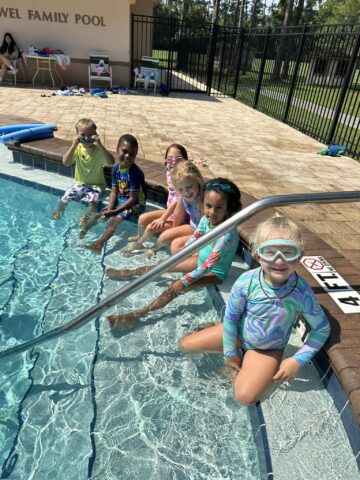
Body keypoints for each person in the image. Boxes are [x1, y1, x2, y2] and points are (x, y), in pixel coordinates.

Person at [179, 214, 331, 406]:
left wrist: (297, 360)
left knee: (244, 397)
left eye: (288, 252)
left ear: (299, 256)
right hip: (239, 333)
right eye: (270, 252)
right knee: (184, 345)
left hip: (267, 349)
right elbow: (232, 318)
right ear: (257, 255)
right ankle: (228, 342)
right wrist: (230, 356)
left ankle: (246, 360)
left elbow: (322, 329)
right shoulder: (246, 282)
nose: (279, 260)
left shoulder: (301, 292)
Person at [106, 178, 242, 329]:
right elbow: (196, 237)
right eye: (208, 206)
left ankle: (138, 314)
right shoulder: (206, 219)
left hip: (214, 272)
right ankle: (129, 272)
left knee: (175, 288)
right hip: (200, 260)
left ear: (229, 208)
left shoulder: (227, 235)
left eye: (219, 208)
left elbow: (208, 266)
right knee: (162, 265)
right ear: (202, 203)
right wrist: (181, 254)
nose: (212, 212)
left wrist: (183, 281)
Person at [81, 133, 146, 253]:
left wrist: (115, 212)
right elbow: (114, 191)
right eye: (124, 151)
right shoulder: (116, 169)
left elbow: (133, 198)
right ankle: (84, 231)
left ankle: (98, 244)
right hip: (122, 201)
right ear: (117, 150)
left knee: (114, 220)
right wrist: (110, 209)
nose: (128, 156)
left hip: (136, 204)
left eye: (132, 154)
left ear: (136, 155)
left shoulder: (135, 173)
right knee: (100, 214)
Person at [123, 143, 189, 253]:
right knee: (142, 218)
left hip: (180, 217)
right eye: (170, 159)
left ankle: (144, 245)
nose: (173, 162)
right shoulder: (169, 172)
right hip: (171, 211)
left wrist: (163, 218)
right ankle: (140, 237)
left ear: (185, 161)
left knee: (150, 227)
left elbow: (177, 202)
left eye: (178, 159)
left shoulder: (183, 179)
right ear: (165, 161)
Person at [51, 118, 114, 225]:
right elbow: (65, 162)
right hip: (79, 184)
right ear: (77, 135)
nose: (87, 138)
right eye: (83, 135)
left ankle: (85, 216)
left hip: (96, 186)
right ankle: (59, 210)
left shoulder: (98, 150)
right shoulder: (77, 148)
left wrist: (100, 145)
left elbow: (111, 161)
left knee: (93, 202)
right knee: (65, 197)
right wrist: (73, 145)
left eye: (91, 135)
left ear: (96, 134)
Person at [142, 160, 204, 257]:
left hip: (205, 233)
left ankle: (181, 265)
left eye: (189, 186)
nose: (186, 192)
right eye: (181, 189)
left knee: (176, 244)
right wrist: (173, 232)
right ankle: (154, 249)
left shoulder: (204, 199)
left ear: (198, 181)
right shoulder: (184, 197)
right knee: (164, 236)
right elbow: (178, 214)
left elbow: (210, 226)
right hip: (193, 227)